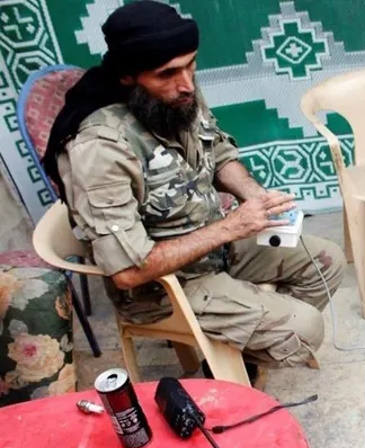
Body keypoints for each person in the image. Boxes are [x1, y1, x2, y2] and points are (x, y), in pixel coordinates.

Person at [41, 1, 344, 377]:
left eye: (191, 64)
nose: (186, 84)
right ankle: (237, 353)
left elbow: (218, 152)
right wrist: (231, 227)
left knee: (327, 261)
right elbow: (129, 272)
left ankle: (243, 349)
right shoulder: (100, 147)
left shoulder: (175, 98)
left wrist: (253, 195)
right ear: (128, 77)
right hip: (161, 288)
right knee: (306, 328)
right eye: (167, 73)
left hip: (213, 247)